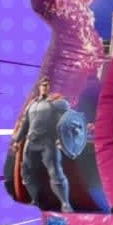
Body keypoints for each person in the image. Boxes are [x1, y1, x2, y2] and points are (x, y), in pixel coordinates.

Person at [12, 77, 73, 212]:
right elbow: (25, 125)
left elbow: (68, 121)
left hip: (48, 142)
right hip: (31, 142)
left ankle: (65, 203)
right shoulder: (32, 105)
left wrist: (63, 139)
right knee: (27, 173)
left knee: (56, 173)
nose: (45, 87)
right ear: (39, 87)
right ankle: (36, 200)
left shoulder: (59, 102)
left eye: (48, 85)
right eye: (43, 85)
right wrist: (17, 140)